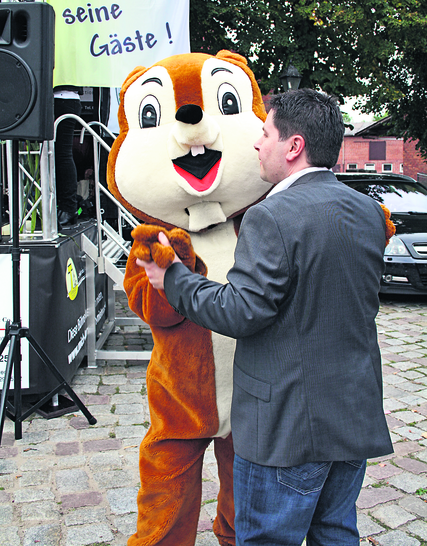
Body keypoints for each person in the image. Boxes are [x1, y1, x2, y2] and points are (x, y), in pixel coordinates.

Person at [138, 88, 393, 546]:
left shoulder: (271, 216)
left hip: (287, 431)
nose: (257, 144)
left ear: (293, 146)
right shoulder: (369, 213)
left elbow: (240, 311)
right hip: (353, 417)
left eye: (265, 133)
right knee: (335, 534)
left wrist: (174, 279)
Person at [54, 86, 82, 228]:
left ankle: (68, 208)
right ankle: (66, 207)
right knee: (59, 154)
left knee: (62, 154)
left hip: (61, 98)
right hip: (64, 98)